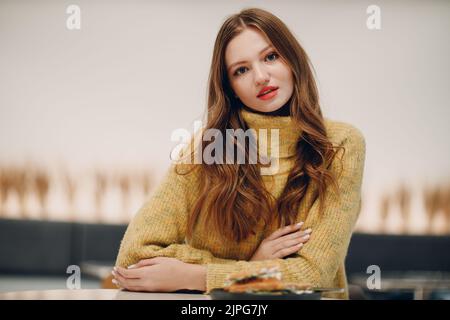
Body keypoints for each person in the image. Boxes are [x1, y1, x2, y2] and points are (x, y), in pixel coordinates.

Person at [113, 7, 365, 299]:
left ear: (293, 59)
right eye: (241, 70)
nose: (260, 76)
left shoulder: (341, 144)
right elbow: (133, 258)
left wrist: (200, 276)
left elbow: (312, 275)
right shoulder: (206, 148)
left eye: (271, 56)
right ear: (230, 86)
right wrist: (254, 265)